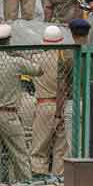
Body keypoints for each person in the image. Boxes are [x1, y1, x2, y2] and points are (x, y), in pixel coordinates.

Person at [0, 23, 42, 183]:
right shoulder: (15, 62)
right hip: (9, 114)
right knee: (20, 154)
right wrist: (20, 55)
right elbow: (39, 70)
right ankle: (26, 185)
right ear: (8, 42)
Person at [30, 26, 68, 178]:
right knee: (60, 148)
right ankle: (58, 179)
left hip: (43, 104)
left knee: (39, 148)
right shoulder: (66, 60)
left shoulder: (36, 59)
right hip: (63, 105)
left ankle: (39, 179)